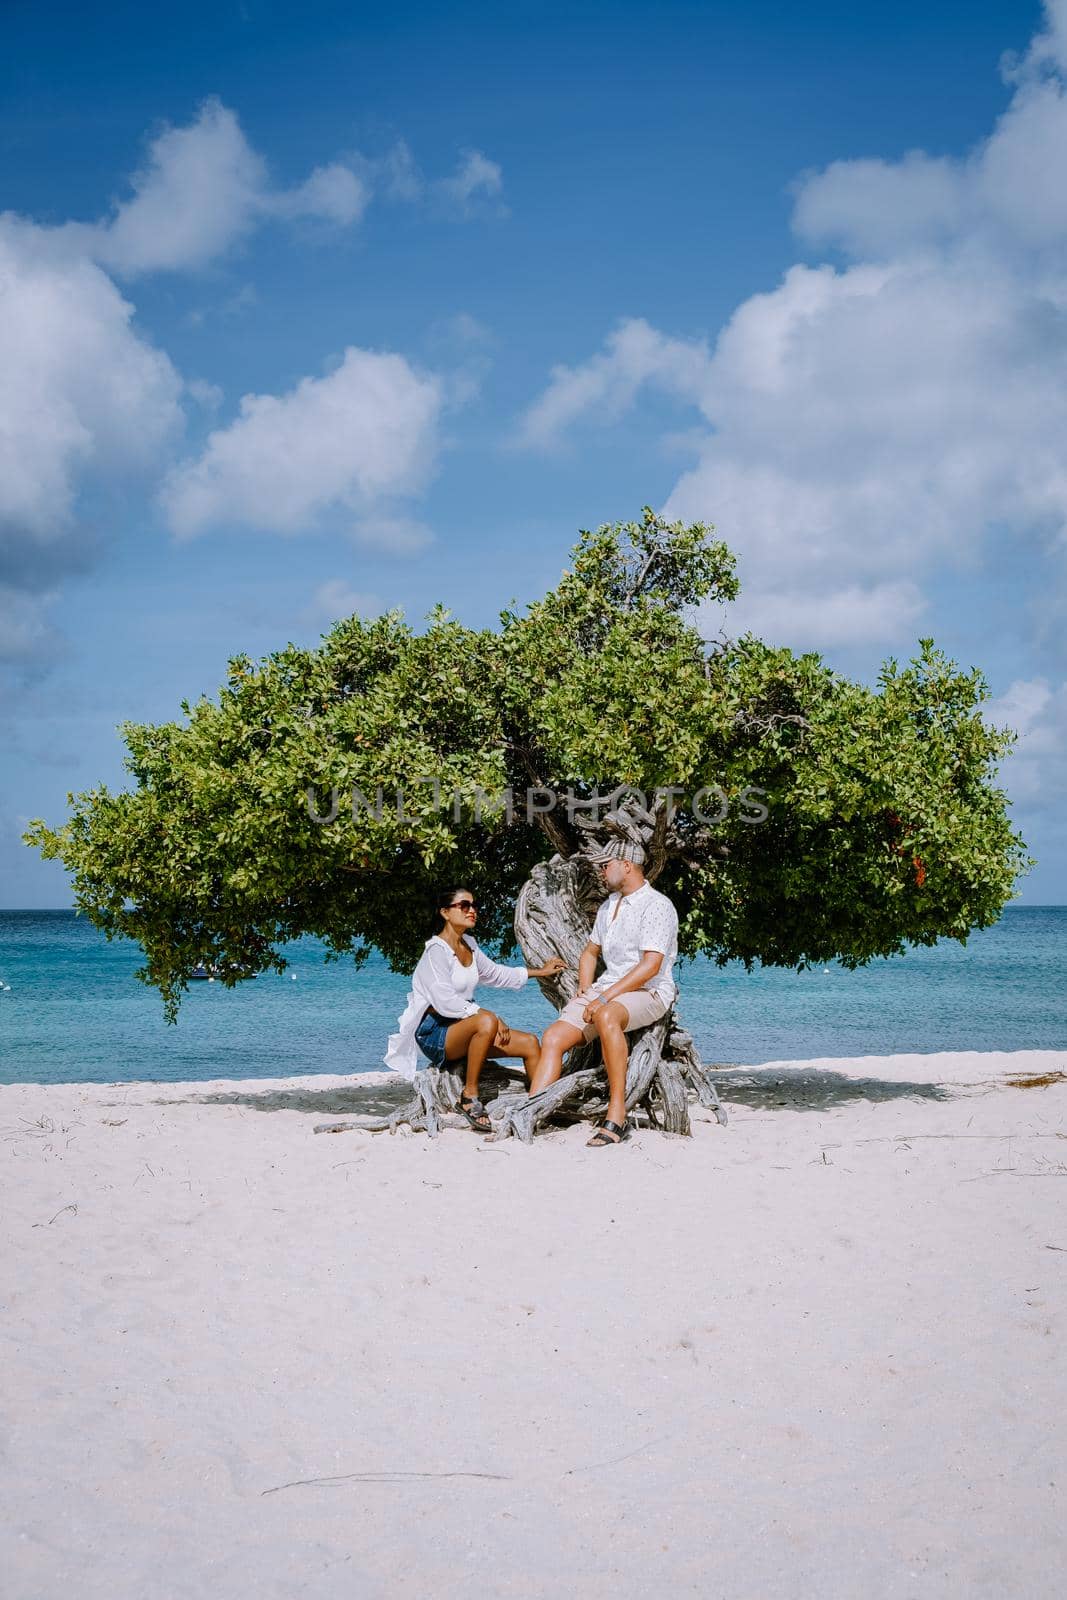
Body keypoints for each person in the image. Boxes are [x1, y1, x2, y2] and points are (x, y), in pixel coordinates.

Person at [526, 839, 678, 1147]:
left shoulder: (657, 905)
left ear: (627, 865)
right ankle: (531, 1111)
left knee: (607, 1015)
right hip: (608, 990)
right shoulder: (609, 906)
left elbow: (650, 966)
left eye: (606, 864)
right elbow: (589, 952)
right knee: (554, 1037)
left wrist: (604, 998)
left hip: (649, 992)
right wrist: (585, 987)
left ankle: (617, 1114)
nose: (601, 870)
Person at [385, 885, 565, 1131]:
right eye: (464, 905)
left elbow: (496, 974)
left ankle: (536, 1109)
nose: (472, 910)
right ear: (445, 912)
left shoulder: (469, 944)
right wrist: (487, 1016)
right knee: (487, 1021)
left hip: (464, 1025)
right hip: (435, 1033)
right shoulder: (435, 953)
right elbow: (445, 1001)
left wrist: (540, 972)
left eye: (474, 905)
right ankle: (469, 1096)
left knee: (531, 1043)